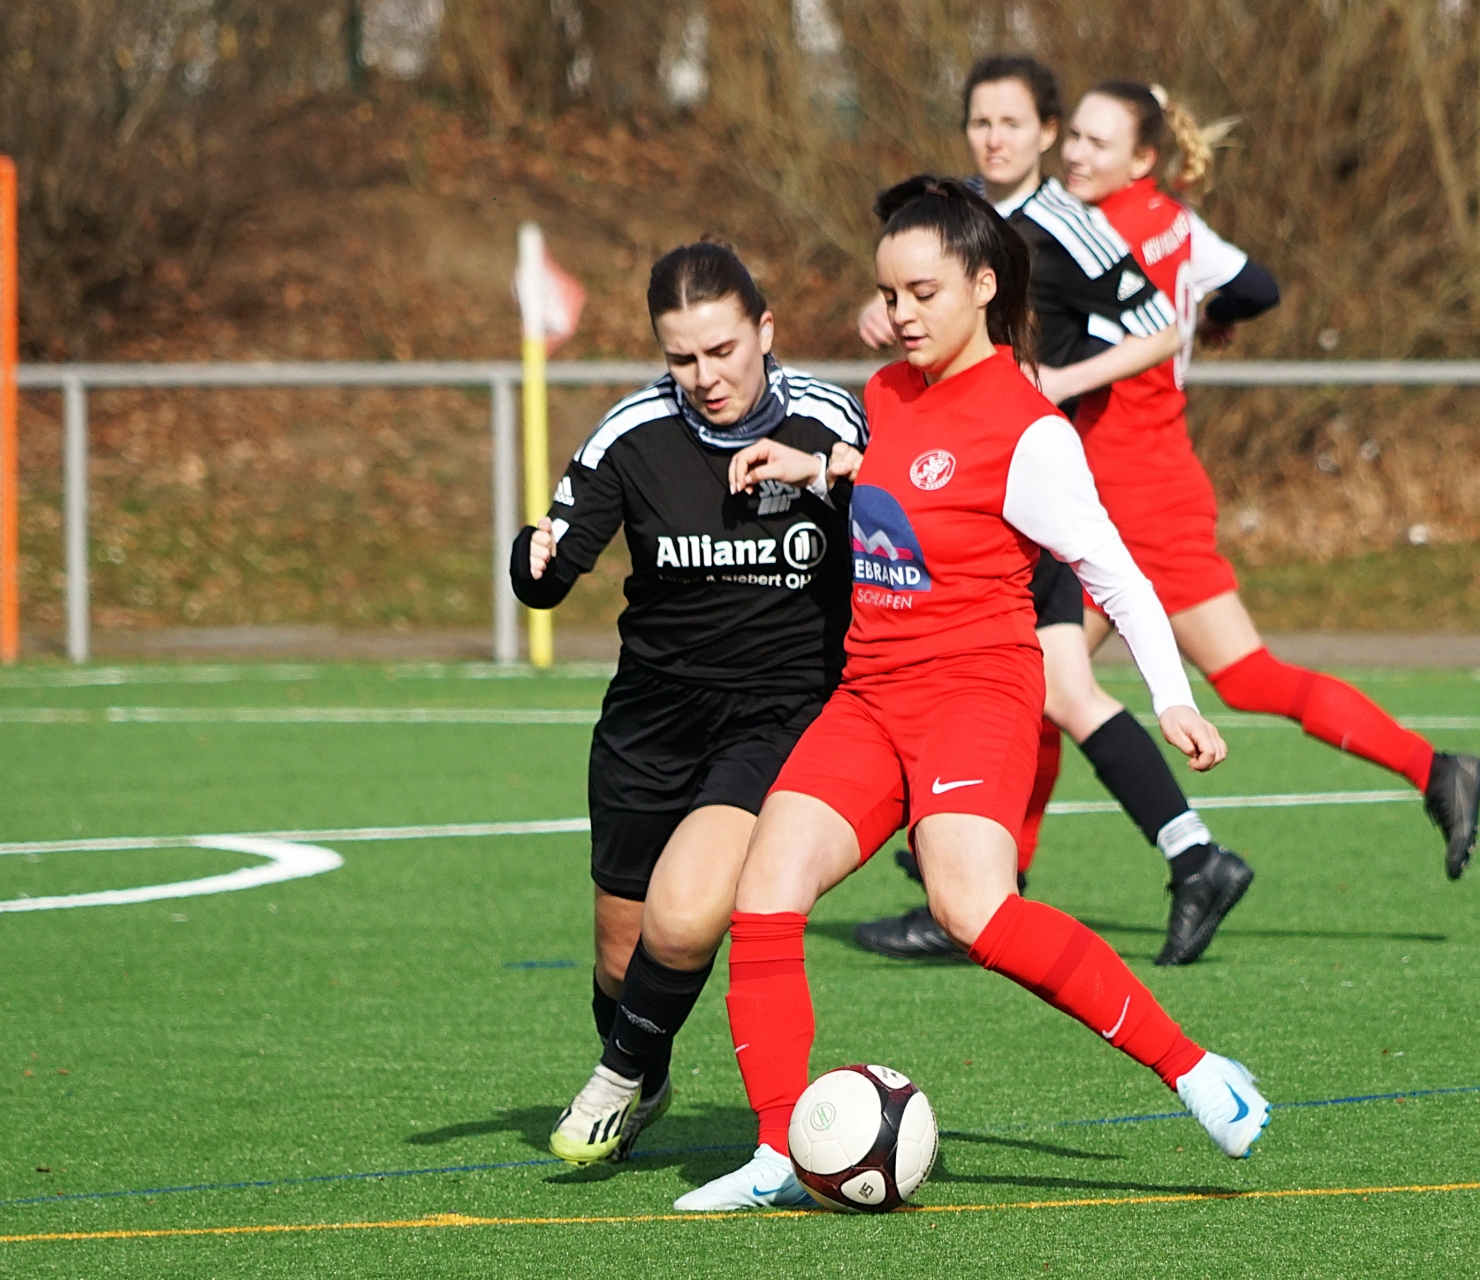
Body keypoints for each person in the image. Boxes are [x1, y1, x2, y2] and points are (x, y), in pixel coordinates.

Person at [671, 177, 1269, 1213]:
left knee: (972, 910)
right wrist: (813, 469)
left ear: (983, 286)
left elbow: (1116, 572)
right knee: (765, 890)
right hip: (870, 694)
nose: (902, 314)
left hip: (975, 693)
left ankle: (1195, 1069)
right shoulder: (887, 392)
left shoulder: (1031, 430)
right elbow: (898, 478)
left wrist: (1171, 695)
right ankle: (776, 1151)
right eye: (888, 294)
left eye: (923, 292)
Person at [854, 55, 1254, 968]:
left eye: (1012, 123)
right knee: (1052, 695)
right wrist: (890, 316)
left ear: (1045, 132)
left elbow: (1163, 325)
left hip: (1014, 494)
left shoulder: (1070, 224)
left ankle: (1164, 861)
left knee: (1052, 693)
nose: (993, 138)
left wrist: (1060, 382)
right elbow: (913, 306)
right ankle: (1175, 859)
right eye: (979, 122)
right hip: (957, 494)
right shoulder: (954, 216)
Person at [1052, 80, 1480, 880]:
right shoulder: (1173, 220)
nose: (1075, 153)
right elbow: (1258, 287)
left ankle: (1005, 879)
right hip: (1141, 480)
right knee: (1052, 685)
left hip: (1133, 494)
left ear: (1142, 159)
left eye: (1097, 142)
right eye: (1073, 136)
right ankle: (1433, 771)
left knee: (1055, 684)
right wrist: (1212, 316)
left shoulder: (1096, 235)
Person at [509, 240, 866, 1165]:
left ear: (765, 331)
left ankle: (612, 1079)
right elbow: (553, 567)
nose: (706, 377)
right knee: (620, 957)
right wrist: (532, 560)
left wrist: (832, 473)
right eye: (682, 358)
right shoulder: (631, 433)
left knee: (688, 911)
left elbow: (899, 507)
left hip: (780, 712)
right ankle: (647, 1072)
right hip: (652, 717)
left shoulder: (829, 420)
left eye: (722, 350)